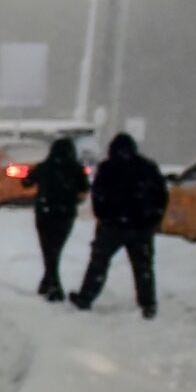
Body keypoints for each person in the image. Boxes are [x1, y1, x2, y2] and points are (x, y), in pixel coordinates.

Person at [72, 132, 168, 317]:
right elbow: (161, 195)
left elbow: (98, 195)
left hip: (112, 226)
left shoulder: (107, 167)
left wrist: (103, 216)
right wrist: (153, 219)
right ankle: (148, 304)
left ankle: (86, 298)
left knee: (98, 263)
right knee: (143, 267)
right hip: (141, 227)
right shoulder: (147, 167)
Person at [27, 137, 90, 300]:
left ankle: (51, 285)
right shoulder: (76, 168)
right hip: (66, 213)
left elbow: (26, 182)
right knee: (56, 249)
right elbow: (84, 187)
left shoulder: (44, 167)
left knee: (48, 249)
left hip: (44, 212)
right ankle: (50, 283)